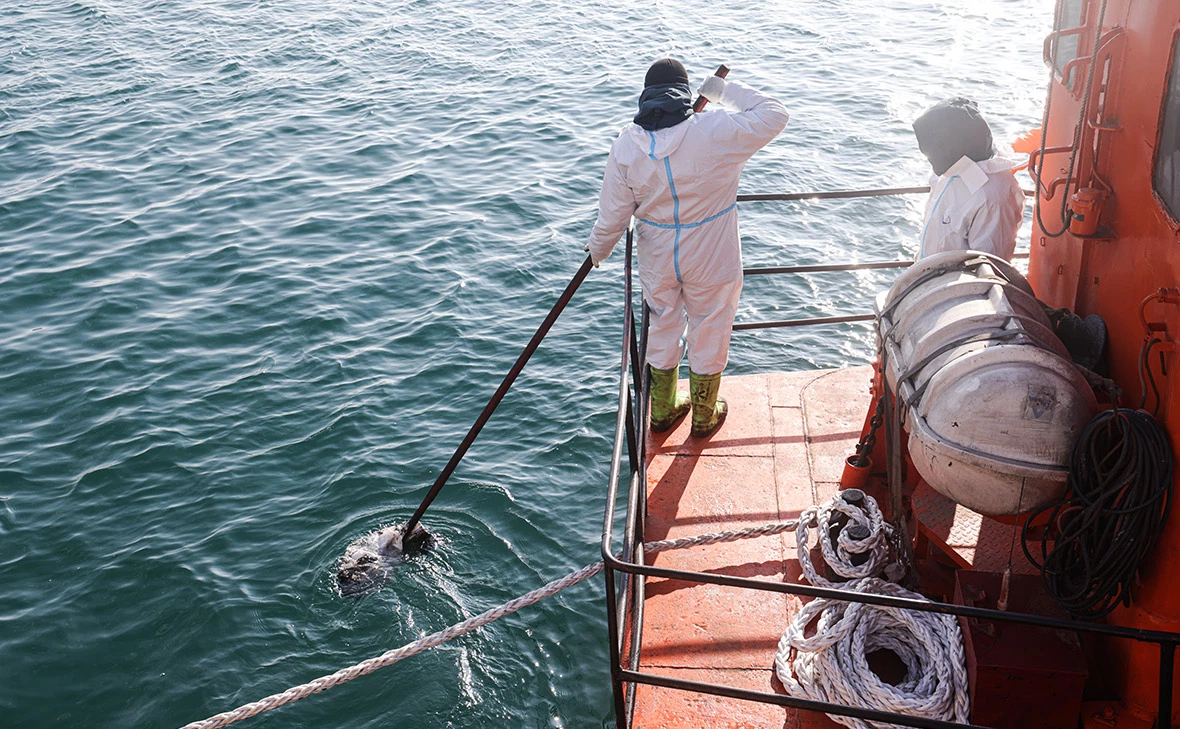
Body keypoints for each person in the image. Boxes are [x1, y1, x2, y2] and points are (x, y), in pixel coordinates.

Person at [585, 58, 788, 438]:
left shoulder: (626, 144)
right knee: (710, 324)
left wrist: (598, 251)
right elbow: (775, 114)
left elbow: (612, 216)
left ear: (647, 96)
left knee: (662, 324)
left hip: (657, 251)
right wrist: (723, 91)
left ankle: (662, 410)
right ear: (683, 92)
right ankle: (704, 416)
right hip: (712, 249)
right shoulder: (714, 129)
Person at [912, 97, 1025, 261]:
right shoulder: (950, 170)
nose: (929, 156)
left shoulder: (992, 197)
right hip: (929, 274)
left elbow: (989, 264)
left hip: (956, 283)